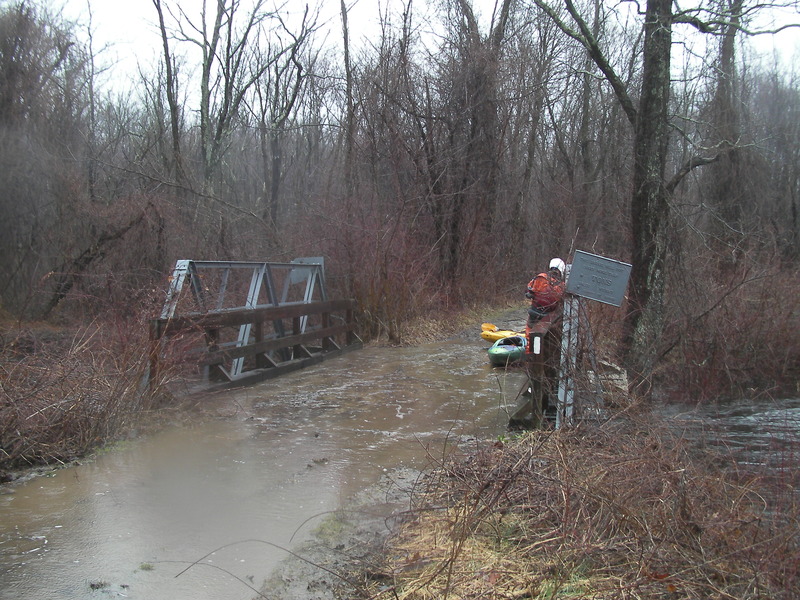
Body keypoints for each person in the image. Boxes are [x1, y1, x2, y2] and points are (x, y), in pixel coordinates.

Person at [525, 257, 566, 325]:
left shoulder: (541, 277)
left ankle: (528, 335)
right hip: (550, 316)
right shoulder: (562, 285)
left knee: (529, 331)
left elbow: (529, 291)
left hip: (534, 311)